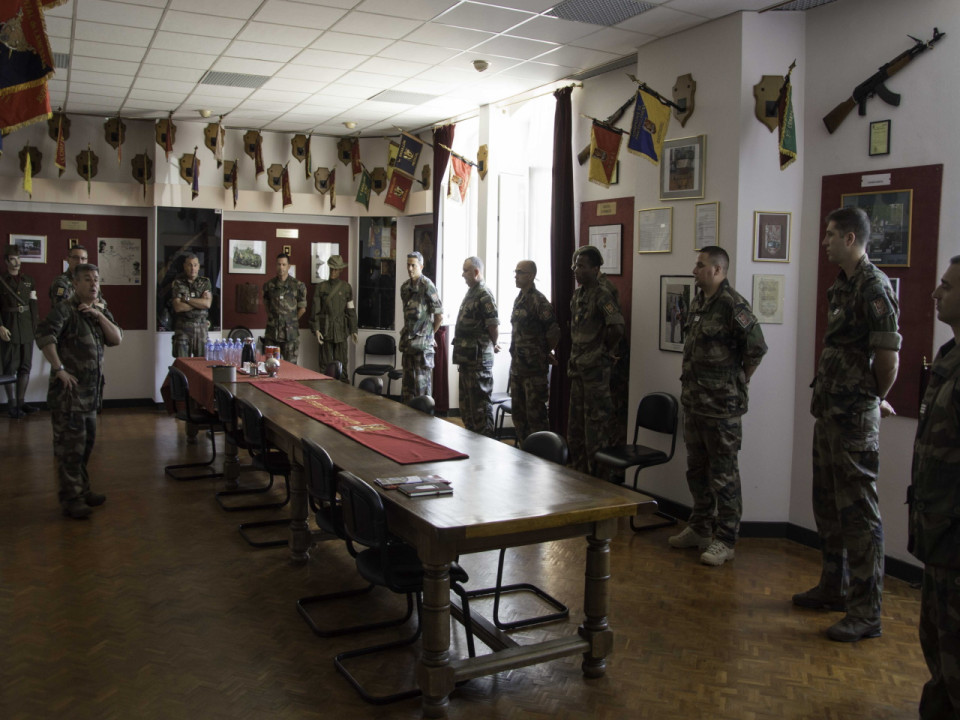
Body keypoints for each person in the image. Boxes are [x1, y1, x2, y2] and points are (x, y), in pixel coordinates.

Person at [793, 206, 901, 642]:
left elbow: (889, 358)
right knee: (828, 507)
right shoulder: (843, 286)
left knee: (859, 515)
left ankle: (865, 611)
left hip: (854, 418)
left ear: (851, 239)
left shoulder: (874, 287)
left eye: (831, 235)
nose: (825, 241)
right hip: (831, 414)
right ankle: (833, 587)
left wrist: (873, 398)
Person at [668, 246, 767, 567]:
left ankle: (725, 539)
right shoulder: (698, 303)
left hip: (723, 408)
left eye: (700, 265)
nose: (694, 270)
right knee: (696, 470)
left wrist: (736, 382)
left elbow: (756, 349)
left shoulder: (733, 305)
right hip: (695, 403)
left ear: (718, 270)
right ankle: (699, 527)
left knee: (724, 475)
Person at [910, 256, 960, 718]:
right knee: (937, 640)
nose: (936, 292)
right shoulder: (948, 354)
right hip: (939, 530)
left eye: (946, 286)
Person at [35, 263, 122, 519]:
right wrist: (59, 368)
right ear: (75, 284)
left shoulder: (96, 311)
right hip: (69, 396)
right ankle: (71, 499)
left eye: (96, 279)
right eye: (87, 279)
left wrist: (99, 315)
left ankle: (82, 491)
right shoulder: (65, 310)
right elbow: (44, 336)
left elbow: (116, 338)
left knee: (85, 447)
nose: (93, 284)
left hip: (91, 396)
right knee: (69, 451)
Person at [568, 246, 623, 476]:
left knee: (596, 430)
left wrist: (603, 351)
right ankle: (579, 477)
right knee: (576, 430)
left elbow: (617, 327)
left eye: (581, 266)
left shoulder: (603, 295)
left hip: (596, 373)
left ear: (595, 268)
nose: (576, 270)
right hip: (578, 369)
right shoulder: (578, 295)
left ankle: (599, 483)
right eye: (575, 265)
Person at [509, 260, 559, 443]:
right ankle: (524, 455)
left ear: (530, 275)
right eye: (515, 271)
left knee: (536, 418)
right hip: (518, 368)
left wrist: (544, 352)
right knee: (519, 417)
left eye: (520, 272)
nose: (516, 275)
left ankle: (542, 461)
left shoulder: (539, 300)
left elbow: (554, 331)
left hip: (534, 371)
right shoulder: (519, 299)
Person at [452, 256, 499, 435]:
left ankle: (486, 444)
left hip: (479, 361)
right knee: (467, 406)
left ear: (476, 272)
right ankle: (471, 444)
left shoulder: (484, 294)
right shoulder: (471, 292)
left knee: (480, 406)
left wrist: (494, 343)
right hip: (466, 359)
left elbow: (493, 325)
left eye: (466, 270)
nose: (462, 274)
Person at [1, 245, 39, 418]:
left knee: (25, 366)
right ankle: (12, 404)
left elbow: (33, 304)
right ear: (6, 261)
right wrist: (0, 326)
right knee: (10, 367)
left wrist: (35, 327)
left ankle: (22, 403)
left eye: (18, 258)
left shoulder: (28, 280)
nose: (16, 262)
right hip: (9, 327)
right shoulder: (1, 280)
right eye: (12, 259)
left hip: (26, 328)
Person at [399, 251, 442, 402]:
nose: (410, 269)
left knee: (422, 391)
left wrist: (431, 335)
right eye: (408, 265)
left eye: (414, 265)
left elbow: (439, 315)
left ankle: (423, 423)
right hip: (408, 344)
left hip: (423, 347)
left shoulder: (428, 286)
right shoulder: (405, 288)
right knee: (407, 388)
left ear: (421, 266)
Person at [311, 254, 357, 381]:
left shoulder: (346, 288)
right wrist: (316, 329)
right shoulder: (321, 287)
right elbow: (315, 310)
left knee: (342, 364)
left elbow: (351, 310)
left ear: (341, 270)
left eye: (336, 269)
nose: (333, 272)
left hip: (341, 330)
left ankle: (343, 394)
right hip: (325, 329)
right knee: (325, 365)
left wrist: (353, 330)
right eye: (331, 268)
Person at [263, 252, 307, 364]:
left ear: (289, 266)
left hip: (290, 335)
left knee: (291, 368)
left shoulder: (298, 285)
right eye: (278, 264)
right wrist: (274, 319)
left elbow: (302, 308)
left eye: (283, 264)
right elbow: (267, 305)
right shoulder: (269, 285)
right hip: (272, 334)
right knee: (270, 366)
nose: (281, 267)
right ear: (275, 265)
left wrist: (291, 321)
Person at [170, 253, 211, 359]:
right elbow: (178, 307)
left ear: (198, 266)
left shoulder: (205, 282)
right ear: (184, 266)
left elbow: (207, 304)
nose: (192, 268)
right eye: (189, 265)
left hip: (201, 328)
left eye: (195, 265)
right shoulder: (178, 283)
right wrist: (199, 303)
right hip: (183, 328)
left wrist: (187, 300)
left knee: (201, 364)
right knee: (182, 364)